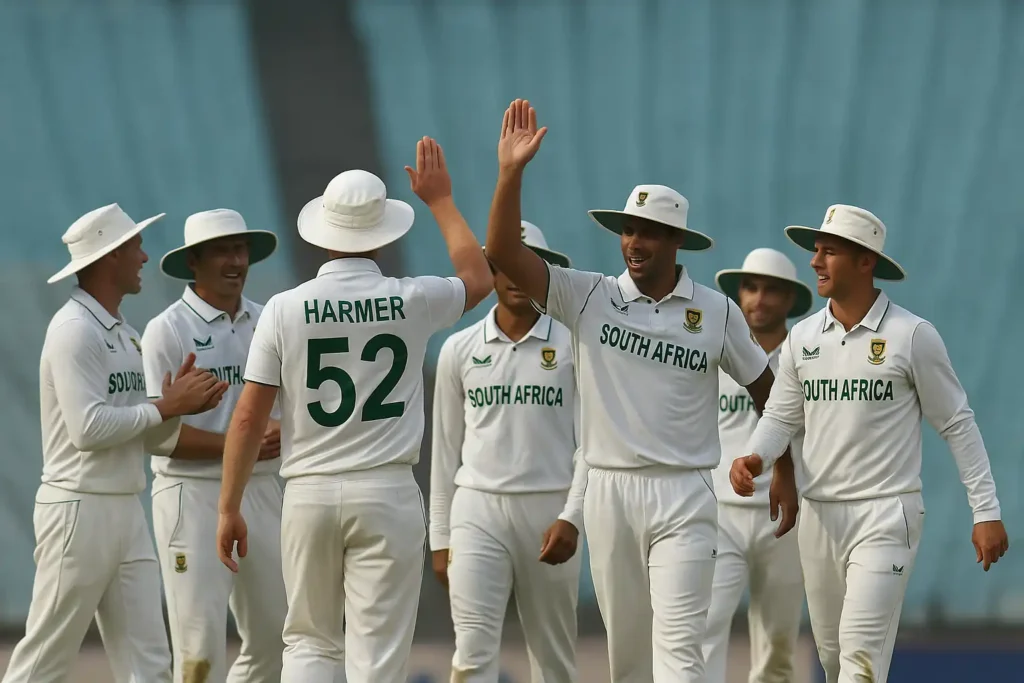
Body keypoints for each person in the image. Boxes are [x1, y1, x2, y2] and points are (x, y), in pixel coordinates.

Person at [484, 99, 798, 683]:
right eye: (629, 228)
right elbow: (503, 254)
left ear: (677, 240)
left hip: (686, 495)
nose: (635, 241)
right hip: (609, 494)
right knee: (628, 663)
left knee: (682, 658)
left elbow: (769, 389)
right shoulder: (587, 296)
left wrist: (781, 467)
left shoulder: (717, 311)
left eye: (651, 232)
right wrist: (511, 173)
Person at [215, 137, 493, 683]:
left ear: (325, 232)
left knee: (309, 642)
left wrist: (228, 506)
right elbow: (479, 277)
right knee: (378, 652)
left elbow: (247, 418)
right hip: (386, 492)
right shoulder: (414, 299)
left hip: (309, 491)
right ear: (384, 234)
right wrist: (439, 200)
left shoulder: (283, 309)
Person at [731, 204, 1010, 683]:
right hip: (819, 517)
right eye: (816, 251)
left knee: (861, 664)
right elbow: (780, 414)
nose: (816, 262)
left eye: (829, 252)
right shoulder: (803, 337)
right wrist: (756, 456)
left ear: (865, 261)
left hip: (886, 514)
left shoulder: (912, 335)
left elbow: (958, 424)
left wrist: (985, 512)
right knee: (836, 661)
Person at [3, 204, 227, 683]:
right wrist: (165, 407)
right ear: (109, 258)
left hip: (126, 508)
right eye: (134, 248)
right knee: (46, 655)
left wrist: (176, 405)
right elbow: (87, 430)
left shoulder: (125, 335)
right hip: (77, 510)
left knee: (149, 661)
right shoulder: (73, 332)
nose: (144, 257)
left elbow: (144, 432)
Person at [430, 220, 584, 682]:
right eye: (505, 266)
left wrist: (572, 516)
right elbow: (443, 449)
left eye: (528, 266)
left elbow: (590, 446)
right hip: (477, 511)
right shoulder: (457, 349)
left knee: (553, 658)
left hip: (550, 512)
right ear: (491, 270)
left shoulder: (575, 345)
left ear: (545, 272)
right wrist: (440, 538)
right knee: (473, 653)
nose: (517, 278)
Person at [141, 208, 287, 683]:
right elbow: (159, 437)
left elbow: (296, 406)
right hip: (192, 495)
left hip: (263, 491)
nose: (236, 260)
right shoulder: (167, 330)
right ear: (194, 263)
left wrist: (287, 429)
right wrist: (236, 446)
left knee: (276, 638)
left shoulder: (269, 321)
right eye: (222, 250)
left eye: (241, 249)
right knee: (200, 649)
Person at [703, 248, 812, 683]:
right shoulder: (712, 353)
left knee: (778, 647)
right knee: (703, 629)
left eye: (772, 290)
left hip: (785, 518)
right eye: (751, 287)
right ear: (738, 294)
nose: (759, 299)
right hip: (719, 514)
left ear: (790, 300)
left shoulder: (807, 358)